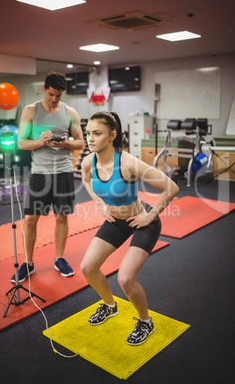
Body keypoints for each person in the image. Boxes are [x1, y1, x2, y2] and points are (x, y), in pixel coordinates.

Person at [80, 111, 179, 346]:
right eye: (88, 133)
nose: (90, 139)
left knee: (125, 279)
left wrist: (151, 216)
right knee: (87, 267)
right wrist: (99, 202)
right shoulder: (88, 161)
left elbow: (171, 187)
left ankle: (145, 321)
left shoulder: (128, 162)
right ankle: (109, 305)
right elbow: (85, 178)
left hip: (142, 221)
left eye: (97, 133)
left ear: (112, 135)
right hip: (116, 221)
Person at [11, 71, 84, 283]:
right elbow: (21, 143)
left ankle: (59, 259)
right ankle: (28, 263)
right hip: (39, 173)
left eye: (58, 96)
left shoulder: (70, 112)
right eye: (51, 94)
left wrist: (65, 143)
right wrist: (41, 142)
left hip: (63, 171)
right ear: (44, 89)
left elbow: (80, 142)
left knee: (61, 217)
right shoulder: (30, 111)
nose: (54, 99)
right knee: (30, 220)